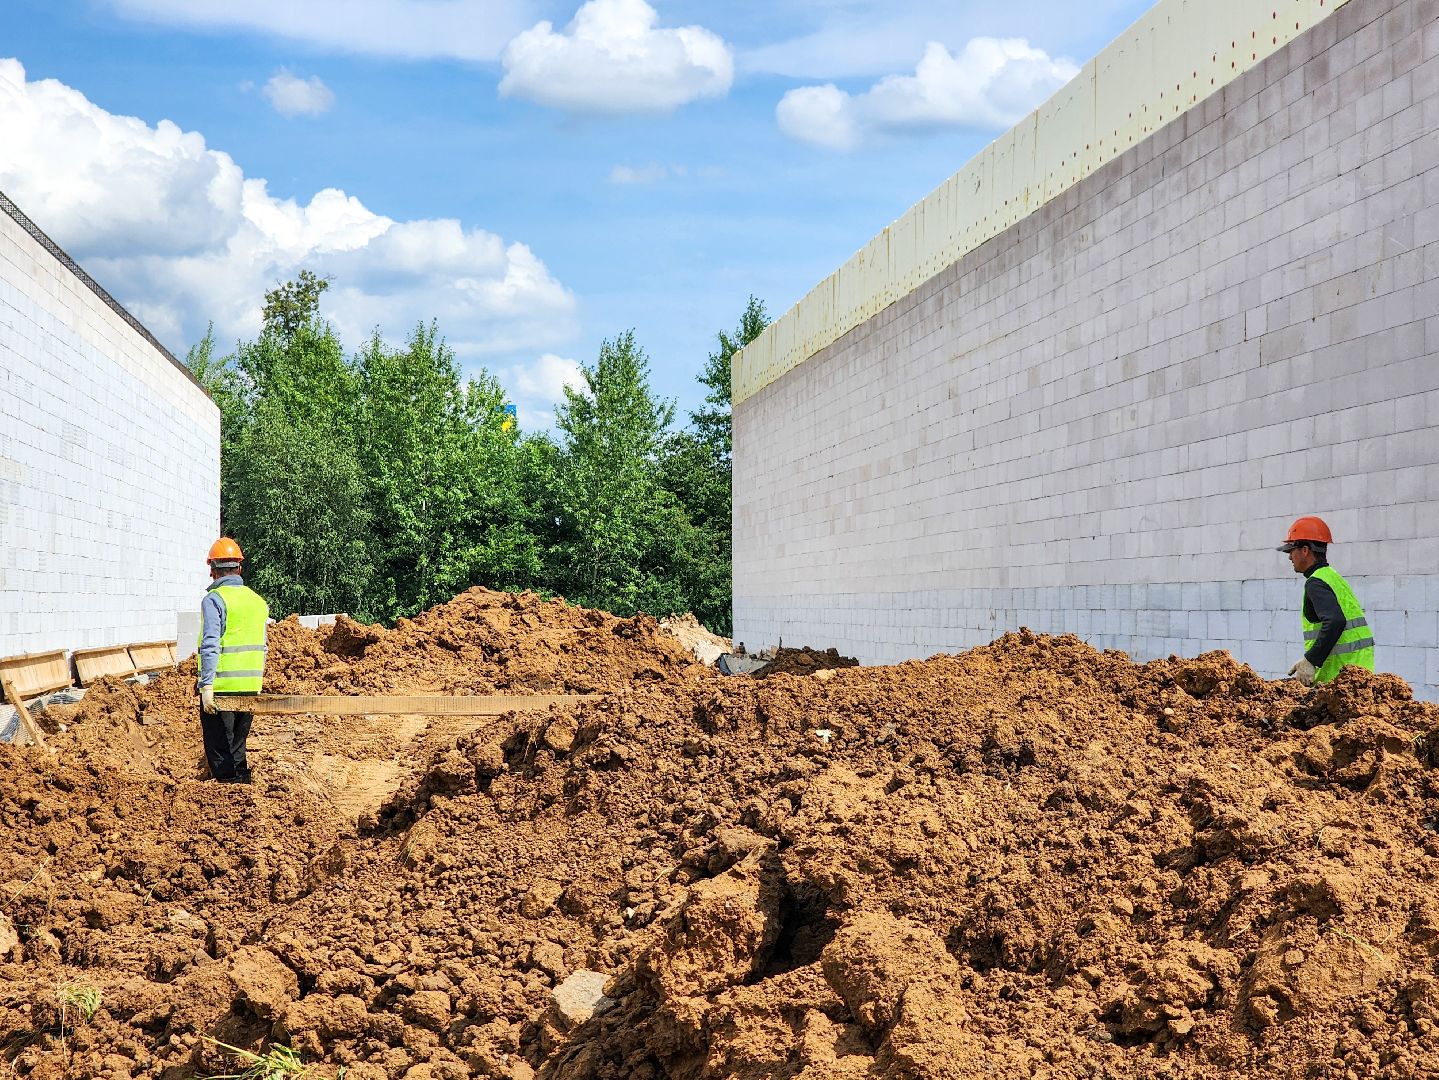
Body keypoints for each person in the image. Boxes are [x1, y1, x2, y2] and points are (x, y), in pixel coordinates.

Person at [196, 537, 269, 784]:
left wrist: (206, 687)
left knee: (221, 754)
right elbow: (263, 646)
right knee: (238, 750)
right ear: (239, 568)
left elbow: (210, 645)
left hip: (221, 688)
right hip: (249, 688)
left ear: (212, 570)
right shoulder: (257, 601)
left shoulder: (215, 599)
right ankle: (243, 794)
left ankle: (227, 800)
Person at [1277, 516, 1373, 686]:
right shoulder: (1333, 577)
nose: (1289, 557)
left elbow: (1335, 621)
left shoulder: (1316, 582)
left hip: (1338, 679)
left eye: (1291, 550)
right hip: (1358, 674)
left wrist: (1311, 660)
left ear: (1305, 550)